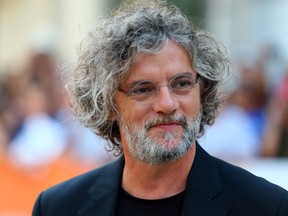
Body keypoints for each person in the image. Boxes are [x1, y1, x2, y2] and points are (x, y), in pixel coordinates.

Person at [32, 1, 288, 215]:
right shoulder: (58, 207)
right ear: (109, 105)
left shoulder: (266, 206)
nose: (167, 103)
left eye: (182, 84)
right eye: (143, 89)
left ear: (203, 91)